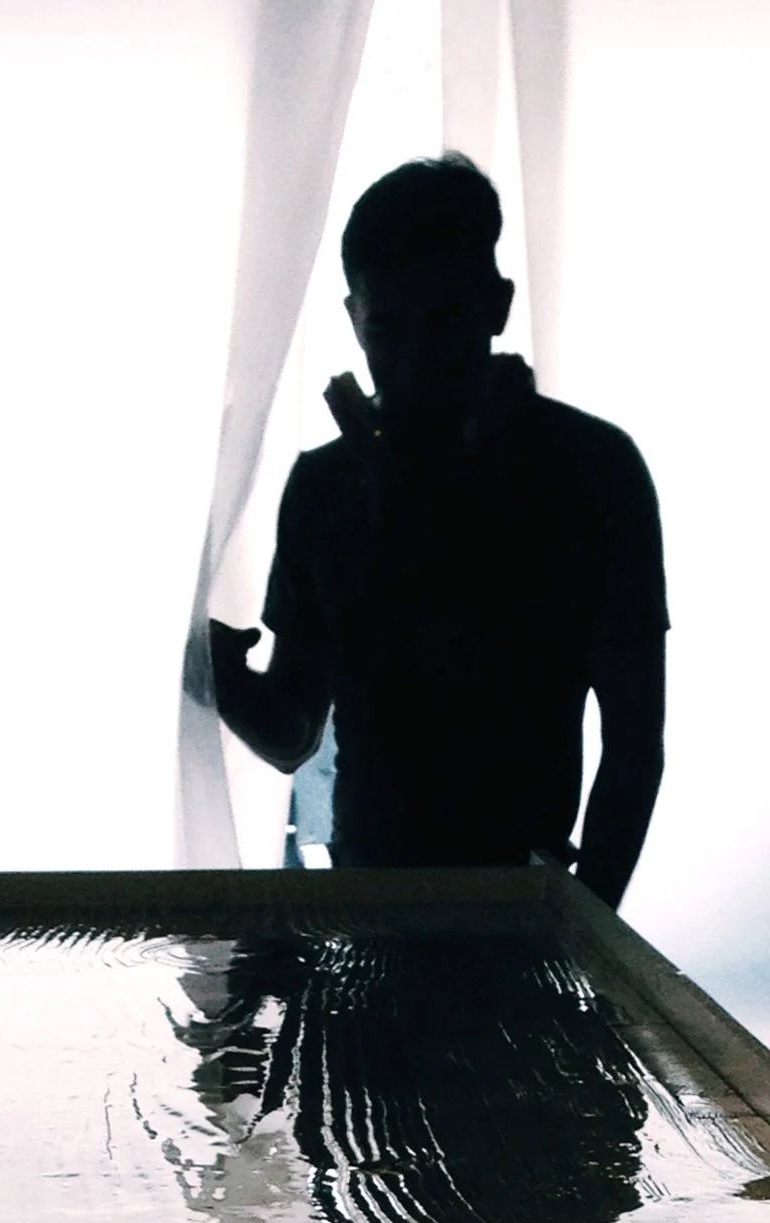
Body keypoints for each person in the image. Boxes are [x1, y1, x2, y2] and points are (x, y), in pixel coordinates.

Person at [210, 155, 667, 910]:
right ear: (355, 320)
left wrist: (585, 931)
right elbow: (295, 731)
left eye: (444, 324)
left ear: (495, 306)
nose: (416, 363)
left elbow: (633, 747)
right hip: (388, 912)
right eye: (389, 330)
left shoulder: (592, 473)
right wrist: (214, 675)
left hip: (511, 905)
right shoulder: (329, 490)